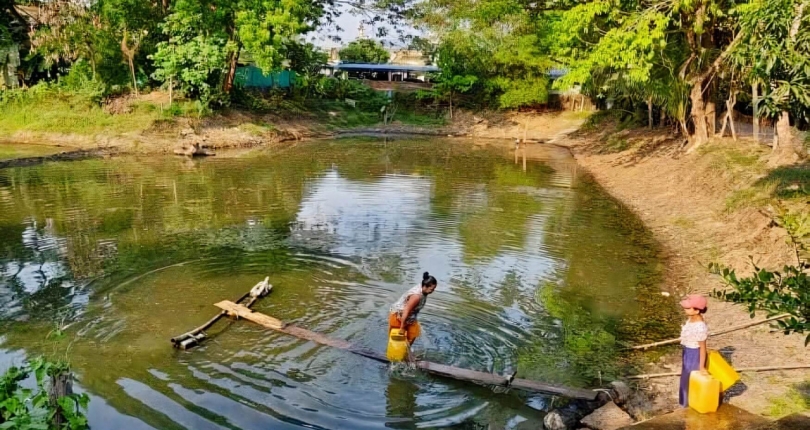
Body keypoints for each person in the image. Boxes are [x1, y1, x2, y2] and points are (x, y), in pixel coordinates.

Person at [388, 272, 438, 346]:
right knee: (398, 339)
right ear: (425, 286)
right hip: (399, 315)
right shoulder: (416, 296)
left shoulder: (423, 290)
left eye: (433, 289)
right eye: (431, 289)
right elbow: (406, 310)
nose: (432, 291)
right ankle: (395, 353)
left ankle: (407, 353)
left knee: (412, 334)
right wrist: (402, 327)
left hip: (410, 316)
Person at [679, 294, 709, 408]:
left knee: (690, 379)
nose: (685, 310)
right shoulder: (690, 319)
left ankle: (689, 404)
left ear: (697, 311)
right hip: (687, 351)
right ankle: (684, 403)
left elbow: (702, 348)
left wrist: (702, 367)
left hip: (693, 354)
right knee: (685, 377)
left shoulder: (700, 327)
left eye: (688, 308)